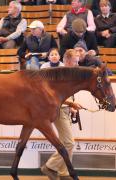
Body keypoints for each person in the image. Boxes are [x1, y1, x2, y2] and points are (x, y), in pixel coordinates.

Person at [40, 48, 83, 180]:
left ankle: (64, 173)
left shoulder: (67, 74)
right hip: (59, 110)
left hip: (65, 109)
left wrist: (72, 106)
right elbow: (55, 96)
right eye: (75, 61)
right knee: (69, 143)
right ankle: (50, 166)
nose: (77, 64)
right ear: (68, 61)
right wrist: (71, 104)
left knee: (66, 143)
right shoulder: (60, 75)